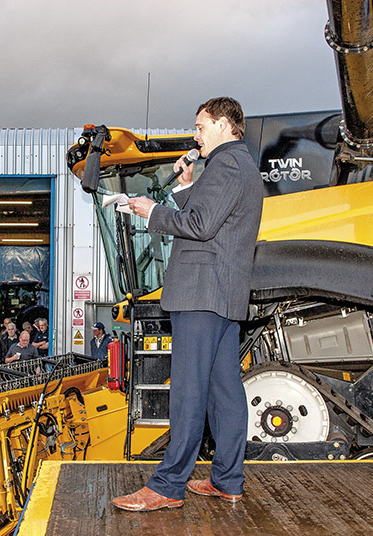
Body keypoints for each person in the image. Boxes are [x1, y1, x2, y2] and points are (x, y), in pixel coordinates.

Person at [113, 97, 263, 511]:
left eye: (200, 126)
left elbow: (198, 225)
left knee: (188, 394)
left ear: (222, 124)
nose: (195, 134)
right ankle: (228, 480)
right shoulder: (237, 166)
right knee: (224, 393)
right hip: (222, 297)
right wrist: (184, 185)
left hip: (202, 293)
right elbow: (211, 219)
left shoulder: (228, 165)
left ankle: (167, 485)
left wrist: (151, 212)